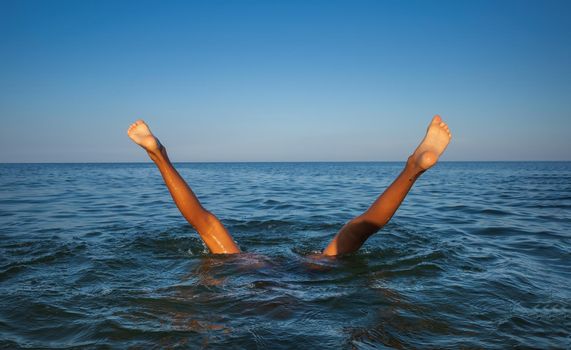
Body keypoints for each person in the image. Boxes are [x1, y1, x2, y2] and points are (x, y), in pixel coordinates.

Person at [127, 115, 451, 256]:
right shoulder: (304, 262)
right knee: (355, 231)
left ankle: (159, 156)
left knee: (206, 224)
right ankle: (413, 168)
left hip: (248, 281)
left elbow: (202, 219)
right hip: (307, 278)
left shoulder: (248, 266)